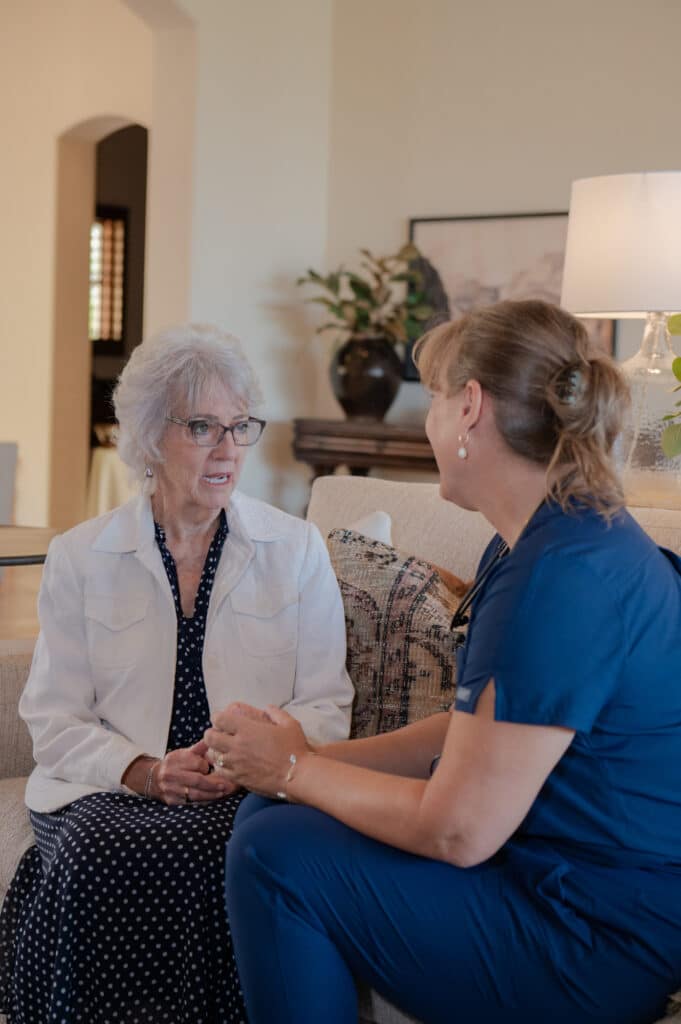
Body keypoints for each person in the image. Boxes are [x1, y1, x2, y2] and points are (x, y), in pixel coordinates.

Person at [206, 300, 681, 1024]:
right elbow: (474, 733)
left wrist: (296, 772)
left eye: (429, 396)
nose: (425, 419)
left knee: (276, 853)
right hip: (547, 880)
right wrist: (311, 757)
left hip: (594, 940)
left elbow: (459, 830)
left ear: (468, 408)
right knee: (271, 817)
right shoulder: (537, 542)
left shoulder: (563, 578)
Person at [0, 323, 353, 1024]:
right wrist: (145, 771)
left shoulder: (295, 548)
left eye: (239, 426)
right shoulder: (80, 555)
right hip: (109, 785)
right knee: (101, 847)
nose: (227, 449)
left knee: (228, 848)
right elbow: (52, 719)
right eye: (202, 427)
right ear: (148, 438)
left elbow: (325, 705)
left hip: (243, 786)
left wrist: (242, 758)